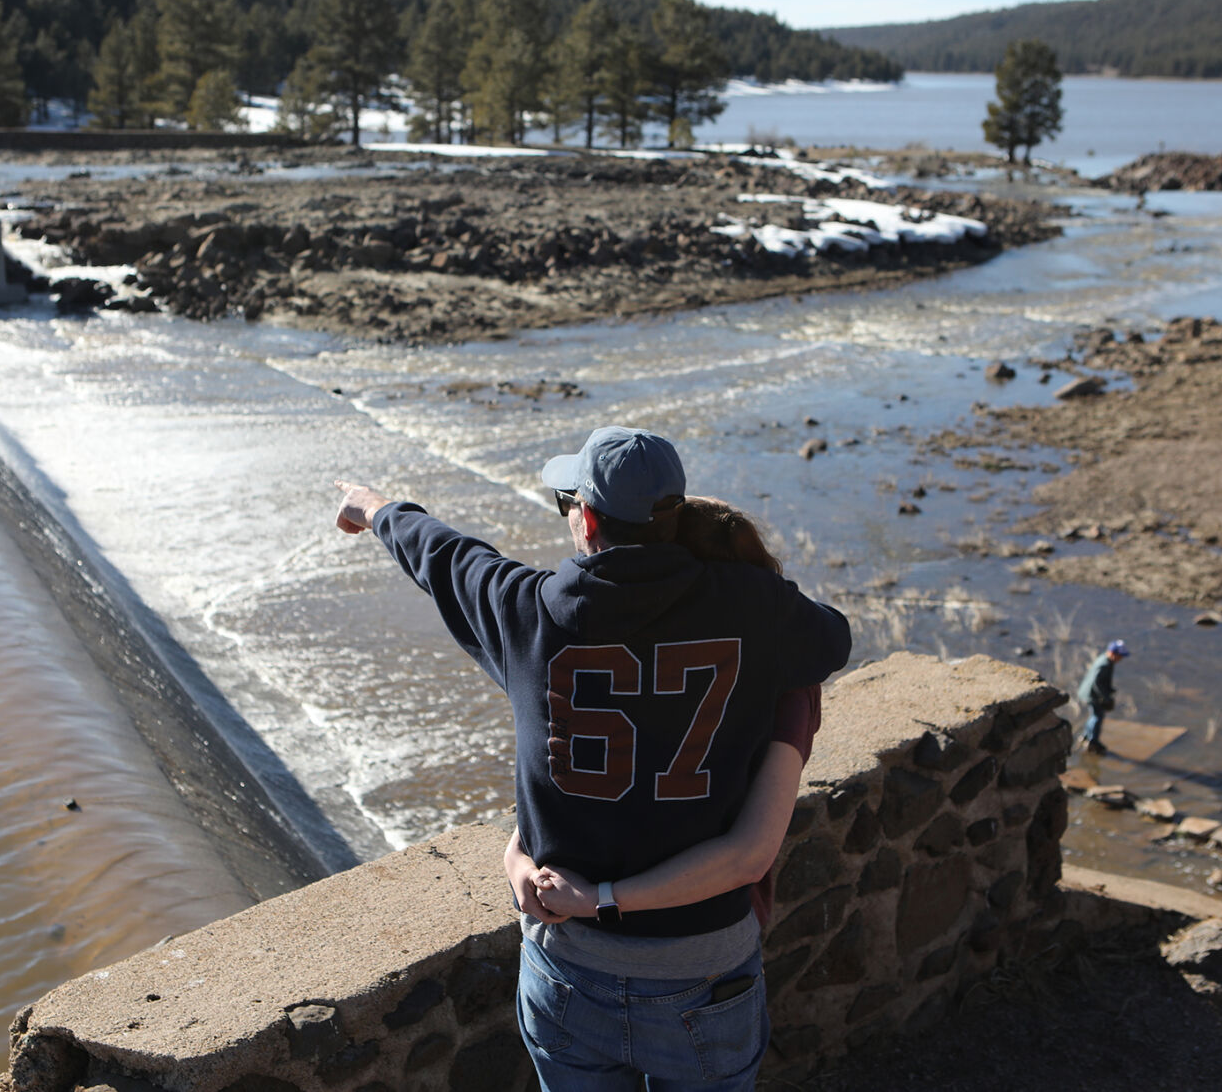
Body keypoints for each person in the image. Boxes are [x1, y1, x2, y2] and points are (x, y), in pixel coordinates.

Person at [333, 427, 852, 1091]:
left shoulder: (525, 612)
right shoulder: (751, 609)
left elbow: (442, 554)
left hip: (569, 973)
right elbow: (830, 638)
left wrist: (373, 506)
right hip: (704, 973)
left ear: (588, 519)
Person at [505, 498, 820, 930]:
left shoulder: (783, 682)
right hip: (706, 942)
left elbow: (749, 855)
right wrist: (518, 851)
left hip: (677, 941)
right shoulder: (779, 665)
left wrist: (597, 900)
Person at [1077, 639, 1129, 755]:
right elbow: (1097, 683)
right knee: (1097, 717)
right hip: (1092, 695)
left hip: (1089, 692)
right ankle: (1093, 742)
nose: (1121, 659)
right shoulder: (1105, 664)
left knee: (1093, 716)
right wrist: (1106, 697)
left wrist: (1109, 690)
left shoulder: (1104, 659)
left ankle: (1085, 737)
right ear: (1113, 653)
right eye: (1120, 656)